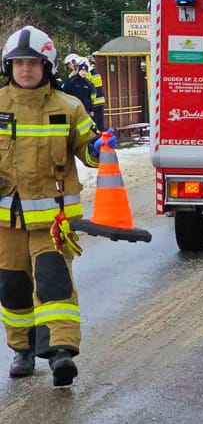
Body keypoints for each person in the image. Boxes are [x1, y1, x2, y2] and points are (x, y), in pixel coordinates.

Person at [0, 26, 111, 387]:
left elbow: (91, 152)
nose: (25, 70)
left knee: (53, 283)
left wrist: (98, 150)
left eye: (32, 63)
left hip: (54, 221)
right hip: (6, 222)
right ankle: (23, 350)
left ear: (46, 66)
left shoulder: (69, 107)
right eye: (18, 64)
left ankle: (61, 353)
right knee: (13, 287)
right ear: (9, 67)